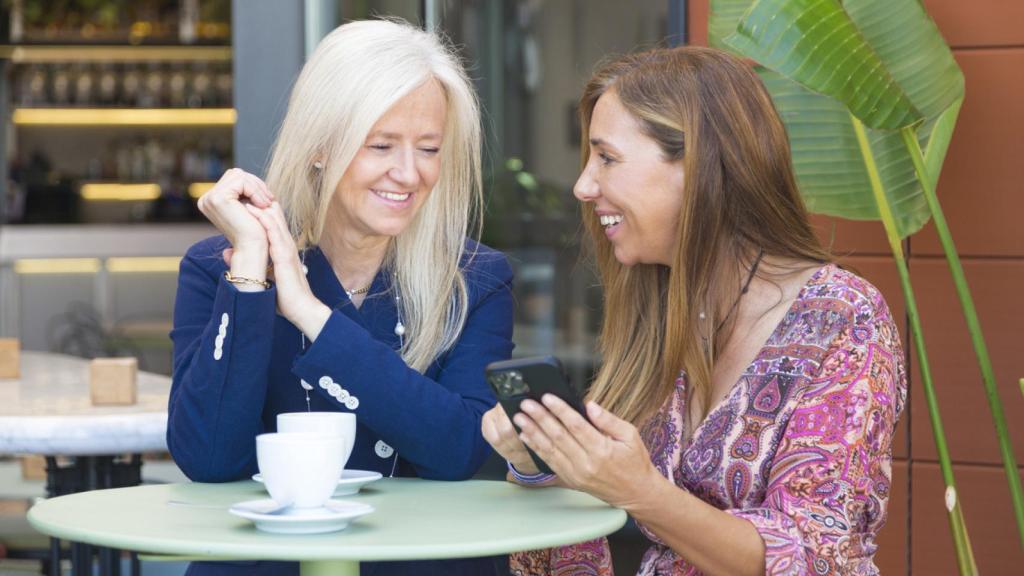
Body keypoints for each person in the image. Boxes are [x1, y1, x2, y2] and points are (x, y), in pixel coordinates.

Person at [483, 46, 906, 575]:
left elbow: (816, 559)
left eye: (607, 158)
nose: (583, 186)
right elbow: (583, 545)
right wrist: (538, 468)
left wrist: (643, 492)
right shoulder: (655, 309)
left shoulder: (842, 321)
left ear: (701, 166)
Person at [168, 19, 514, 576]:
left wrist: (310, 313)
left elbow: (457, 450)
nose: (409, 174)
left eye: (429, 148)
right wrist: (253, 272)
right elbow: (208, 458)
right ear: (321, 148)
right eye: (381, 146)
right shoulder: (219, 270)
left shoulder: (475, 278)